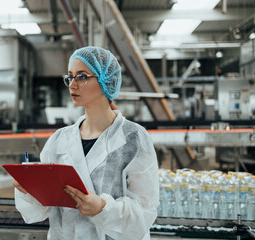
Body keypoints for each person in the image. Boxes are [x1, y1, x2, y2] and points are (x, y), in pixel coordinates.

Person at [13, 46, 159, 240]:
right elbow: (39, 212)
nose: (72, 85)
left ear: (105, 80)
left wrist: (103, 208)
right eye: (70, 77)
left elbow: (145, 213)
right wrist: (29, 191)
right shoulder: (59, 140)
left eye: (81, 77)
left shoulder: (134, 138)